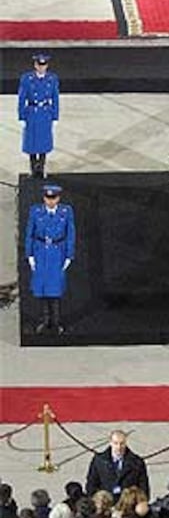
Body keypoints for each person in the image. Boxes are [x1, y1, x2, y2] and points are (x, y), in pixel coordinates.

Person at [25, 185, 75, 336]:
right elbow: (30, 233)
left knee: (55, 288)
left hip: (57, 252)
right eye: (48, 198)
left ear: (58, 198)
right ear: (44, 198)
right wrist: (30, 255)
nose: (50, 201)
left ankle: (57, 322)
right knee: (42, 288)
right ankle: (45, 321)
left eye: (53, 198)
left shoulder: (65, 211)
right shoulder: (36, 211)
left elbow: (71, 232)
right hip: (41, 252)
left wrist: (69, 255)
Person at [18, 52, 60, 179]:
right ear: (35, 65)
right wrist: (21, 115)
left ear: (47, 66)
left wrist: (55, 115)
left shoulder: (52, 79)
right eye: (39, 65)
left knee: (43, 141)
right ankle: (33, 168)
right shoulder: (27, 78)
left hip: (45, 113)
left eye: (44, 65)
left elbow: (55, 98)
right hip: (32, 112)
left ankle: (41, 168)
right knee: (31, 142)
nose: (42, 67)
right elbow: (21, 98)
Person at [85, 430, 150, 502]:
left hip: (128, 505)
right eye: (116, 443)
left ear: (126, 443)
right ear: (110, 443)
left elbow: (143, 488)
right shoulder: (99, 461)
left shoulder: (137, 462)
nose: (119, 447)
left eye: (122, 443)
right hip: (105, 504)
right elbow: (91, 484)